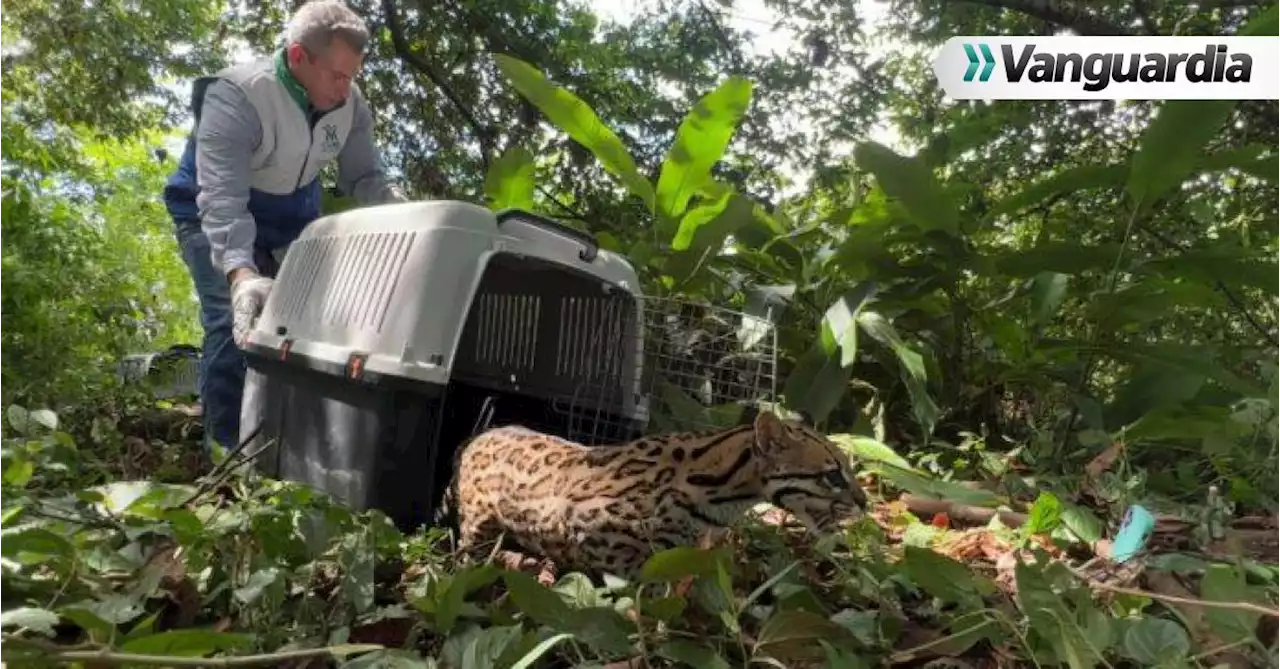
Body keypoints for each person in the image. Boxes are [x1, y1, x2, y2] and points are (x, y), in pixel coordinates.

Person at [162, 0, 407, 453]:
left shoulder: (348, 103)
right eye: (336, 75)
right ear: (298, 57)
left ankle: (286, 447)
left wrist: (404, 211)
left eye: (352, 75)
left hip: (291, 216)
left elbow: (365, 178)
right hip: (209, 210)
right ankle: (226, 453)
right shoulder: (237, 96)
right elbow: (221, 199)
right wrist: (241, 274)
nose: (345, 87)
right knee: (232, 320)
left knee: (302, 321)